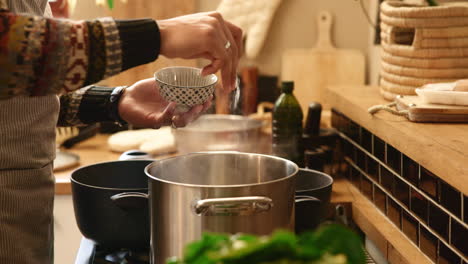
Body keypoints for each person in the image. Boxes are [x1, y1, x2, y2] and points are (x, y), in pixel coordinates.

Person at [0, 0, 242, 263]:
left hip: (26, 207)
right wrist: (157, 35)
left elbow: (20, 89)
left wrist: (114, 101)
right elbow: (9, 53)